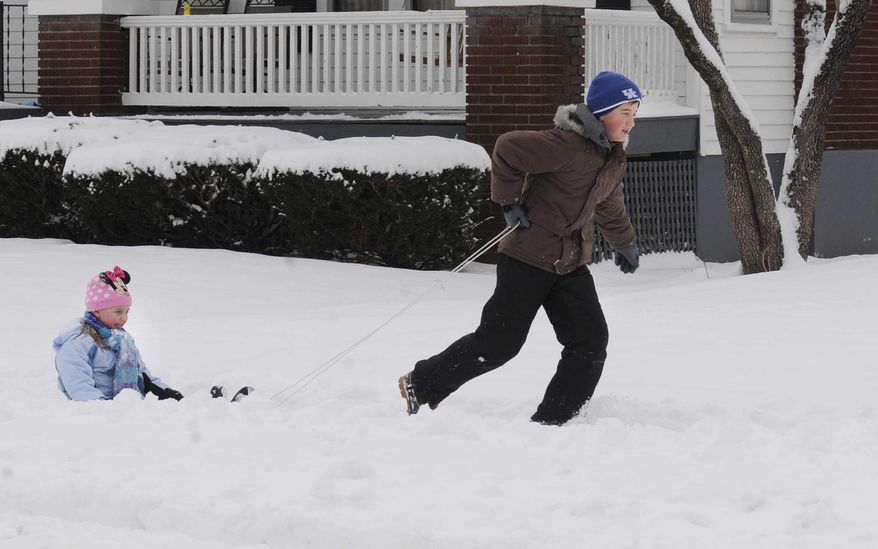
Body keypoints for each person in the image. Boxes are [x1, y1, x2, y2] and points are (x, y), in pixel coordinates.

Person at [399, 71, 643, 425]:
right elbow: (508, 148)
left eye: (635, 114)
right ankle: (421, 383)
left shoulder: (612, 157)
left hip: (569, 265)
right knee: (498, 345)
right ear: (603, 113)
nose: (631, 123)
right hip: (527, 260)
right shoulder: (564, 145)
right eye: (625, 113)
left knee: (590, 342)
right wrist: (508, 201)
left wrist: (625, 243)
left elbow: (608, 203)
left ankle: (555, 421)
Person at [54, 266, 183, 402]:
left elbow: (140, 373)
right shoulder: (78, 342)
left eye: (127, 312)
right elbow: (78, 384)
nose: (124, 318)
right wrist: (102, 407)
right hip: (92, 410)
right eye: (118, 312)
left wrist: (162, 391)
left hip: (123, 406)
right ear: (97, 310)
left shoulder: (122, 340)